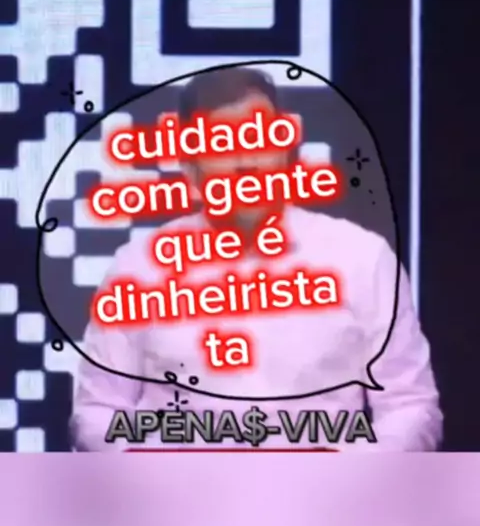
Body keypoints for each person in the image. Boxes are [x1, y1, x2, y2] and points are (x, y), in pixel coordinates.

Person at [71, 66, 443, 451]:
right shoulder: (137, 269)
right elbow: (98, 412)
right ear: (191, 169)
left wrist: (350, 476)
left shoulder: (363, 258)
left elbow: (410, 406)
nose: (246, 162)